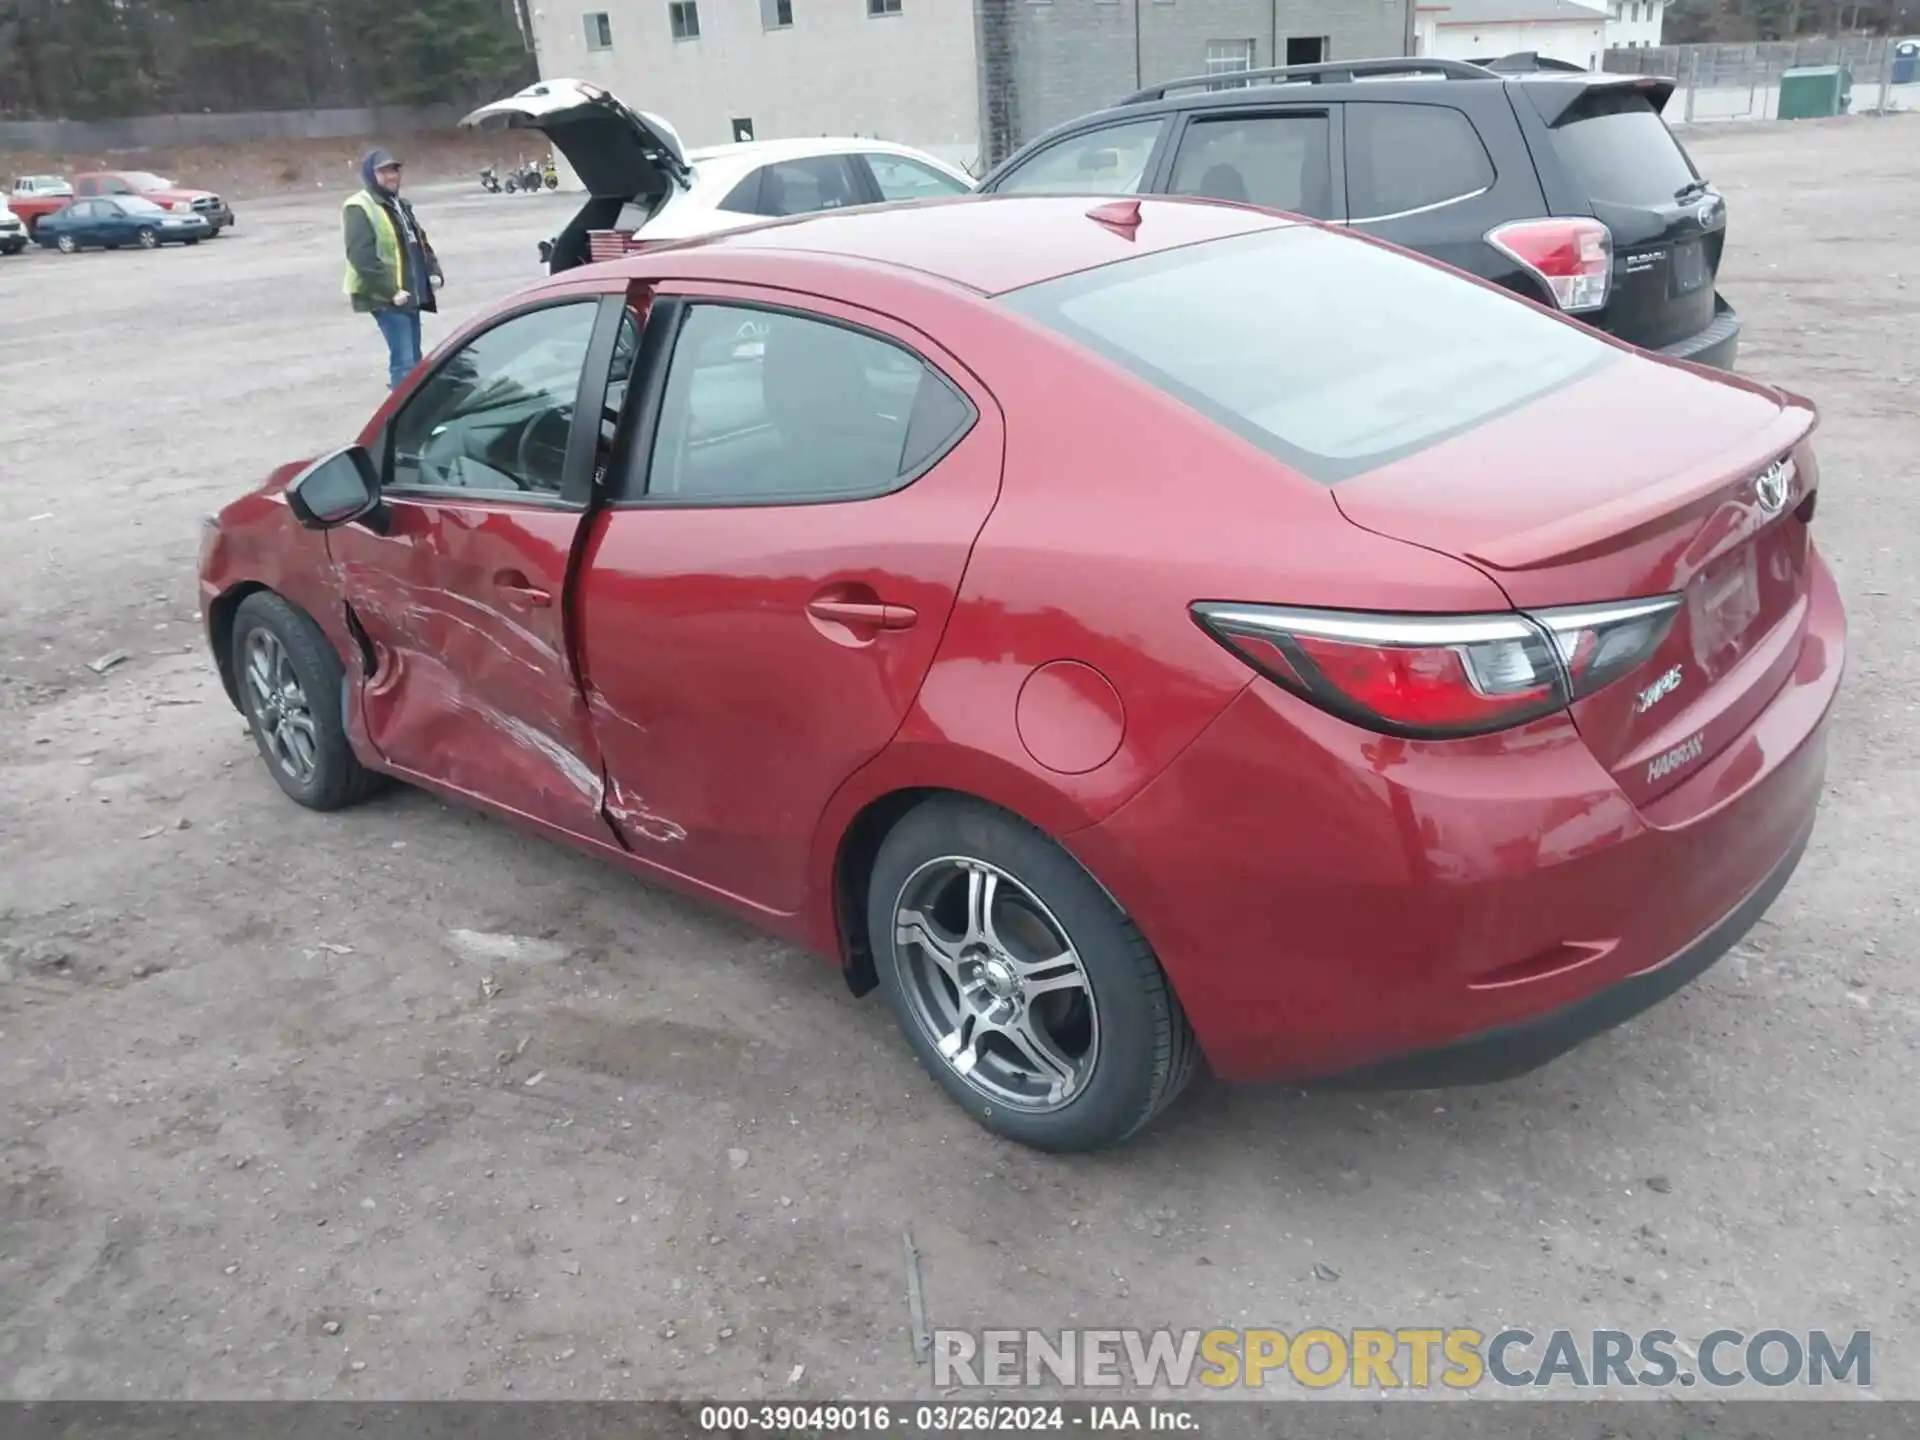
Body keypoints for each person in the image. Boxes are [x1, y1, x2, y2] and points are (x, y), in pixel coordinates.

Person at [342, 149, 443, 390]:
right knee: (404, 362)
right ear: (370, 174)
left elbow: (419, 240)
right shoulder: (359, 206)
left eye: (394, 169)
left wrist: (433, 270)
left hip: (410, 293)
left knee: (415, 360)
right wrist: (390, 291)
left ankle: (414, 403)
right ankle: (403, 415)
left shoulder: (399, 205)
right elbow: (360, 257)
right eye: (383, 171)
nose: (391, 175)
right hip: (386, 298)